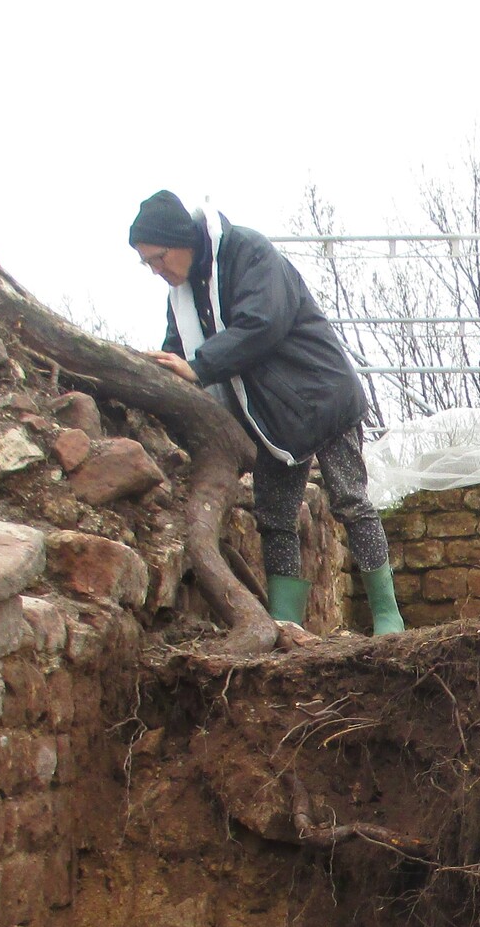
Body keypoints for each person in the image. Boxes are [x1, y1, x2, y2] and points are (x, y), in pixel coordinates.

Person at [128, 189, 405, 635]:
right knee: (275, 519)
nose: (156, 270)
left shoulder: (248, 252)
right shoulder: (183, 295)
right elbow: (178, 349)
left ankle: (388, 617)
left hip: (322, 395)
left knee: (350, 501)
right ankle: (284, 623)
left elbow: (262, 323)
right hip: (269, 417)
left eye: (158, 257)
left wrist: (199, 367)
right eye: (146, 264)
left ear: (182, 239)